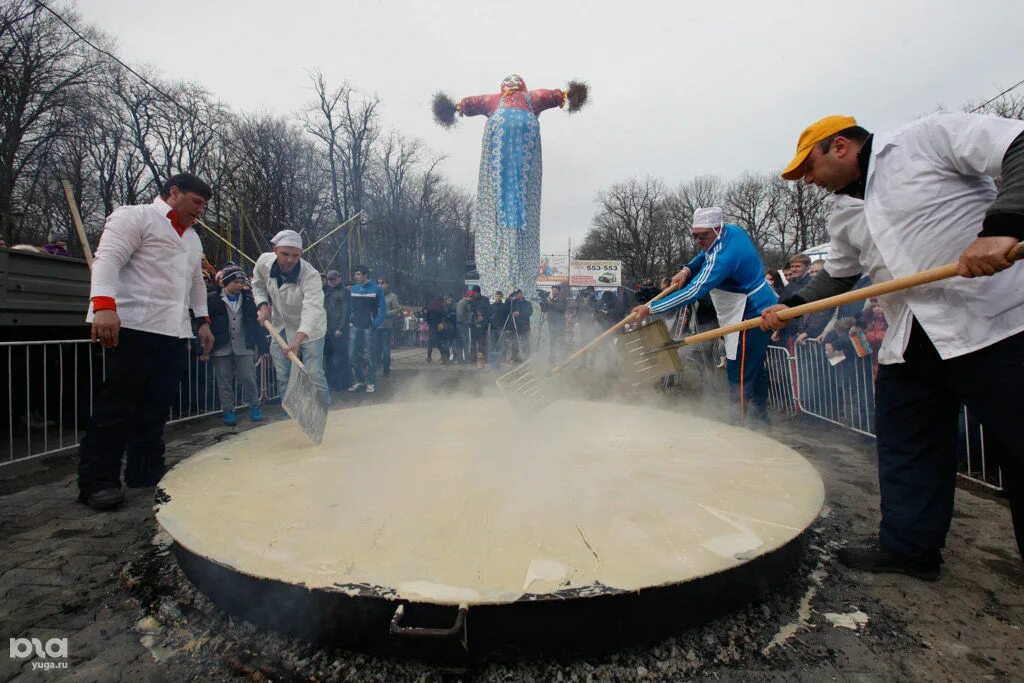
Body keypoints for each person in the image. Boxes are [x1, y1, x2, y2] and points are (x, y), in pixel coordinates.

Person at [762, 112, 1024, 575]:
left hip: (995, 325)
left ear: (839, 146)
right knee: (907, 447)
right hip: (910, 336)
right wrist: (793, 305)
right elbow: (839, 276)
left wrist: (1004, 225)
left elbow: (1016, 143)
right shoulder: (843, 213)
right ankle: (909, 549)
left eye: (809, 167)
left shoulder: (923, 140)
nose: (807, 180)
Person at [77, 172, 214, 511]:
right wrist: (104, 307)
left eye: (204, 206)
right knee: (116, 408)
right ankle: (98, 481)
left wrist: (203, 320)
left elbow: (196, 281)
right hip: (133, 326)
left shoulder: (193, 238)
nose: (200, 211)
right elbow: (106, 260)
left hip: (173, 331)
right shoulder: (134, 216)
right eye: (196, 203)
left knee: (156, 408)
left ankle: (145, 470)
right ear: (174, 192)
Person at [632, 206, 778, 426]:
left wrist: (651, 308)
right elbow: (703, 254)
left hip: (751, 310)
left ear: (717, 229)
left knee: (739, 371)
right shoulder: (731, 232)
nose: (699, 240)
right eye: (695, 235)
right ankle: (760, 421)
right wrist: (686, 270)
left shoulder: (724, 257)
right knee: (755, 369)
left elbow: (693, 291)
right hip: (747, 306)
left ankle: (738, 425)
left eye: (703, 235)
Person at [252, 229, 329, 405]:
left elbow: (312, 309)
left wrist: (298, 340)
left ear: (300, 254)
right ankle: (291, 414)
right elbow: (257, 285)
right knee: (283, 374)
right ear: (274, 250)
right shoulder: (264, 262)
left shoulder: (310, 275)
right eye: (285, 254)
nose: (290, 260)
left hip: (311, 329)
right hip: (280, 326)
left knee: (314, 372)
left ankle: (324, 412)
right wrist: (263, 306)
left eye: (295, 255)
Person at [206, 264, 267, 426]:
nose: (240, 285)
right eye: (236, 282)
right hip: (221, 346)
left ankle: (254, 406)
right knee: (224, 380)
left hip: (244, 344)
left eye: (241, 282)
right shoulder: (212, 299)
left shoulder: (249, 299)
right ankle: (228, 410)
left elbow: (257, 324)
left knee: (248, 378)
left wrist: (263, 347)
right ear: (226, 282)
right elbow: (204, 324)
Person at [347, 265, 386, 392]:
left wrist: (375, 324)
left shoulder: (377, 289)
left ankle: (370, 381)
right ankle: (360, 380)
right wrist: (350, 321)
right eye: (355, 274)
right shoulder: (354, 289)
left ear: (365, 275)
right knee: (352, 354)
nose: (356, 277)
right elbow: (351, 308)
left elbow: (383, 310)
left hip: (369, 327)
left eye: (358, 274)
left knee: (370, 354)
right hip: (355, 326)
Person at [323, 270, 351, 391]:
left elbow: (346, 311)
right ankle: (332, 382)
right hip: (328, 328)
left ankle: (343, 383)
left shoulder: (345, 291)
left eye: (333, 279)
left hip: (338, 328)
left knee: (340, 357)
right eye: (329, 279)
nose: (331, 281)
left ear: (339, 278)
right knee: (329, 356)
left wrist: (341, 328)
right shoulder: (328, 291)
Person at [377, 278, 401, 376]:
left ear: (387, 285)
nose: (380, 285)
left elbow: (397, 309)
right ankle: (376, 366)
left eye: (382, 283)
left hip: (386, 326)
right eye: (378, 283)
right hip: (375, 325)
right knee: (375, 348)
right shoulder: (375, 295)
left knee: (385, 348)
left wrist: (386, 313)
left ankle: (386, 369)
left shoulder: (392, 296)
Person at [541, 284, 568, 362]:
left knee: (561, 340)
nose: (553, 292)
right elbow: (544, 309)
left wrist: (550, 303)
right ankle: (552, 356)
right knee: (552, 340)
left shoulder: (562, 299)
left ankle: (563, 356)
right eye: (552, 290)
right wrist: (544, 302)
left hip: (560, 323)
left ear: (559, 291)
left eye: (555, 290)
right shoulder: (551, 299)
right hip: (552, 322)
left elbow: (561, 308)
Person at [507, 289, 532, 362]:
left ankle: (526, 356)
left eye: (518, 294)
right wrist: (508, 299)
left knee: (525, 341)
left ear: (521, 294)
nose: (517, 296)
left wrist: (519, 313)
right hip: (515, 325)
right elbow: (507, 310)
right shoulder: (513, 303)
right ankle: (514, 357)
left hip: (524, 325)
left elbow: (529, 312)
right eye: (515, 294)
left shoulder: (527, 303)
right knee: (514, 342)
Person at [425, 297, 450, 363]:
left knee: (430, 343)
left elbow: (427, 318)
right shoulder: (441, 308)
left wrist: (429, 323)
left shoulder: (430, 308)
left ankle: (429, 358)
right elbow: (444, 316)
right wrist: (440, 322)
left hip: (432, 327)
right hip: (439, 327)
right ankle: (443, 356)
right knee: (438, 342)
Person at [455, 290, 474, 363]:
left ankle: (465, 358)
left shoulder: (466, 303)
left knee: (465, 342)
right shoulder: (462, 303)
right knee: (464, 342)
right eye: (472, 297)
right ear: (469, 296)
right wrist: (465, 322)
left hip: (464, 325)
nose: (472, 299)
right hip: (462, 325)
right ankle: (463, 358)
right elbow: (460, 315)